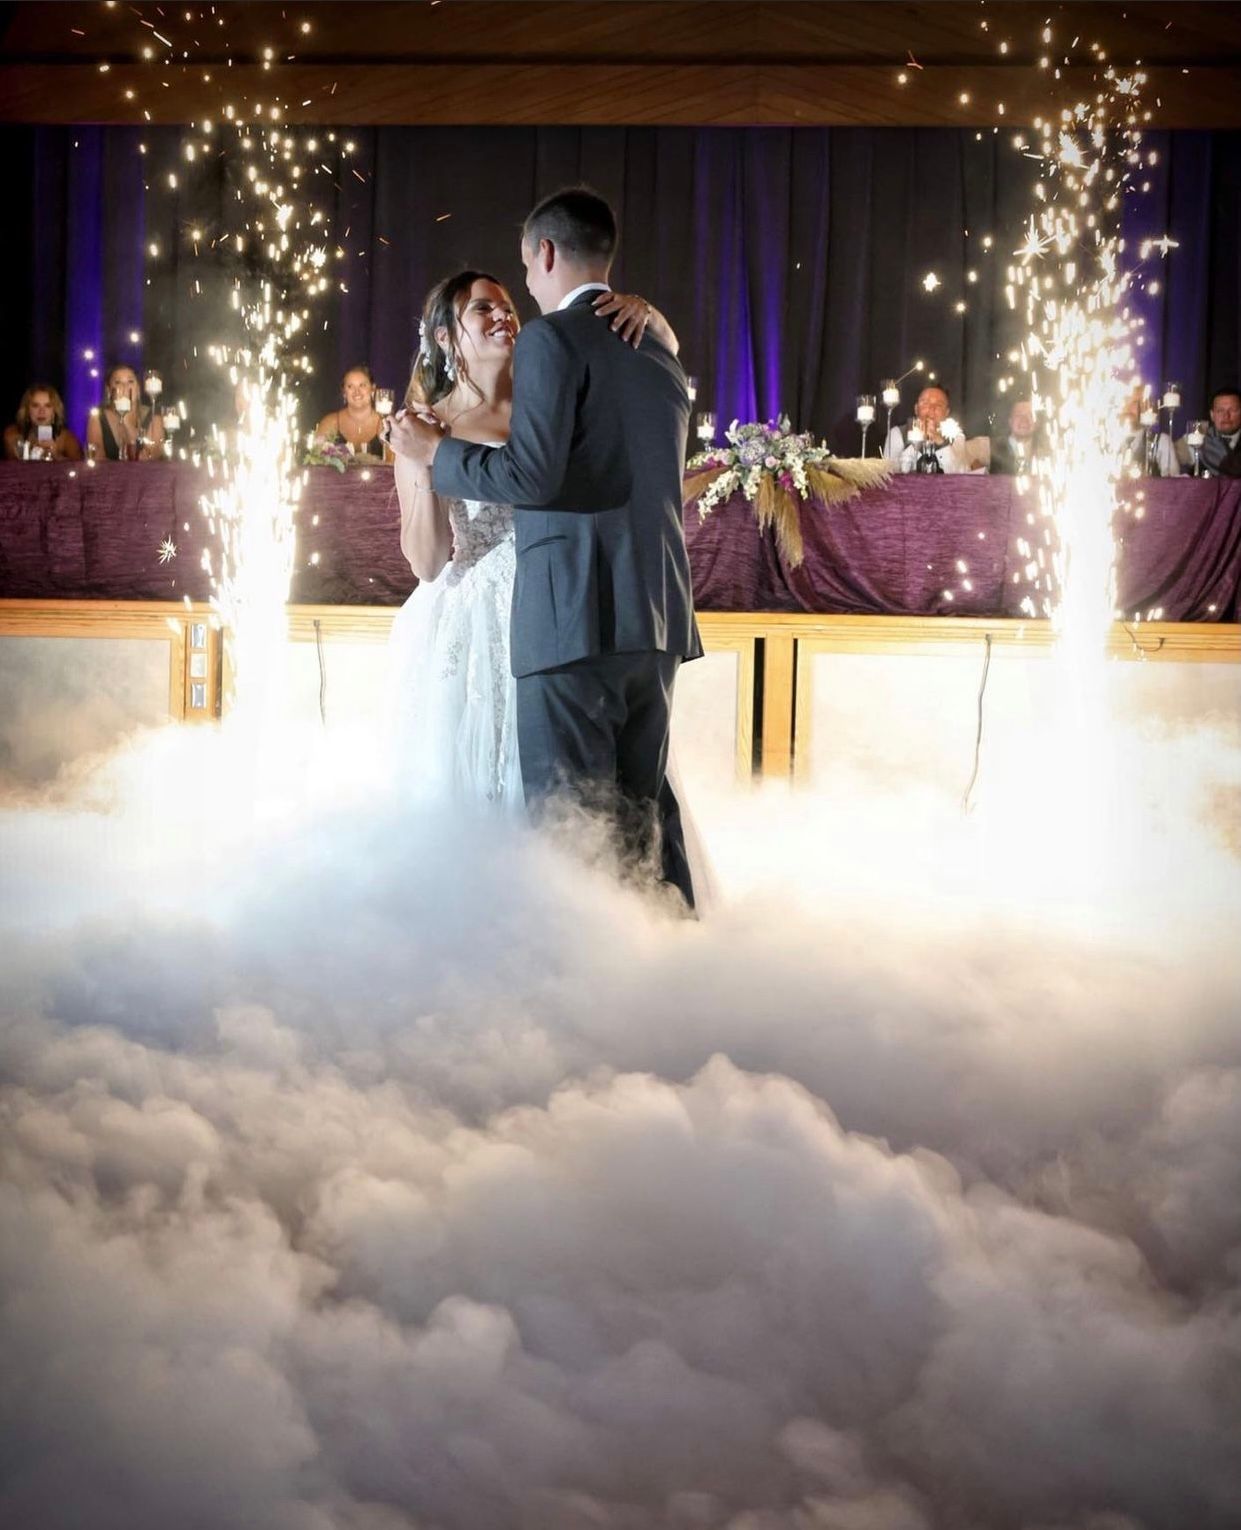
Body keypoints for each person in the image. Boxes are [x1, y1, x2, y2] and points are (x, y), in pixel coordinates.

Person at [390, 188, 701, 911]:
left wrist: (439, 456)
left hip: (563, 618)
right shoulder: (649, 348)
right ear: (445, 336)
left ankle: (576, 955)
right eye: (483, 308)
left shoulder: (555, 350)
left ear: (547, 254)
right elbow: (429, 560)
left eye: (516, 287)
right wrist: (426, 457)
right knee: (635, 814)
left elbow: (534, 475)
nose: (511, 308)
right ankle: (663, 947)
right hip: (620, 614)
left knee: (572, 823)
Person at [883, 385, 987, 473]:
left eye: (939, 405)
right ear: (916, 409)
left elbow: (961, 472)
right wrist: (916, 444)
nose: (932, 409)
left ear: (946, 413)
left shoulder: (956, 436)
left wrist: (940, 442)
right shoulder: (897, 433)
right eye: (925, 403)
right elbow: (890, 472)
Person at [85, 365, 165, 461]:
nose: (125, 387)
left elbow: (153, 454)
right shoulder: (98, 417)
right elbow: (97, 457)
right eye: (118, 382)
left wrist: (125, 419)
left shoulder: (153, 414)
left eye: (130, 381)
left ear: (138, 388)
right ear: (109, 390)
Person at [314, 366, 386, 459]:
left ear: (373, 389)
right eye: (350, 386)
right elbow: (316, 460)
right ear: (344, 392)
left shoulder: (384, 423)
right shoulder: (330, 422)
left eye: (362, 385)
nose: (357, 392)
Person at [3, 384, 82, 461]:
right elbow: (11, 466)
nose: (41, 411)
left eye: (48, 406)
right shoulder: (13, 434)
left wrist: (56, 456)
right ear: (27, 410)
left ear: (54, 411)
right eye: (35, 406)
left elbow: (79, 466)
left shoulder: (66, 438)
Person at [1176, 387, 1241, 478]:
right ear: (1212, 415)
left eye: (1233, 410)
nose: (1226, 416)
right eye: (1220, 411)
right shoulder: (1198, 436)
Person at [989, 397, 1045, 476]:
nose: (1024, 420)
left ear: (1036, 422)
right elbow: (973, 467)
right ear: (1010, 421)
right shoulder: (992, 448)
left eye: (1030, 415)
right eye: (1018, 415)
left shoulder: (1047, 449)